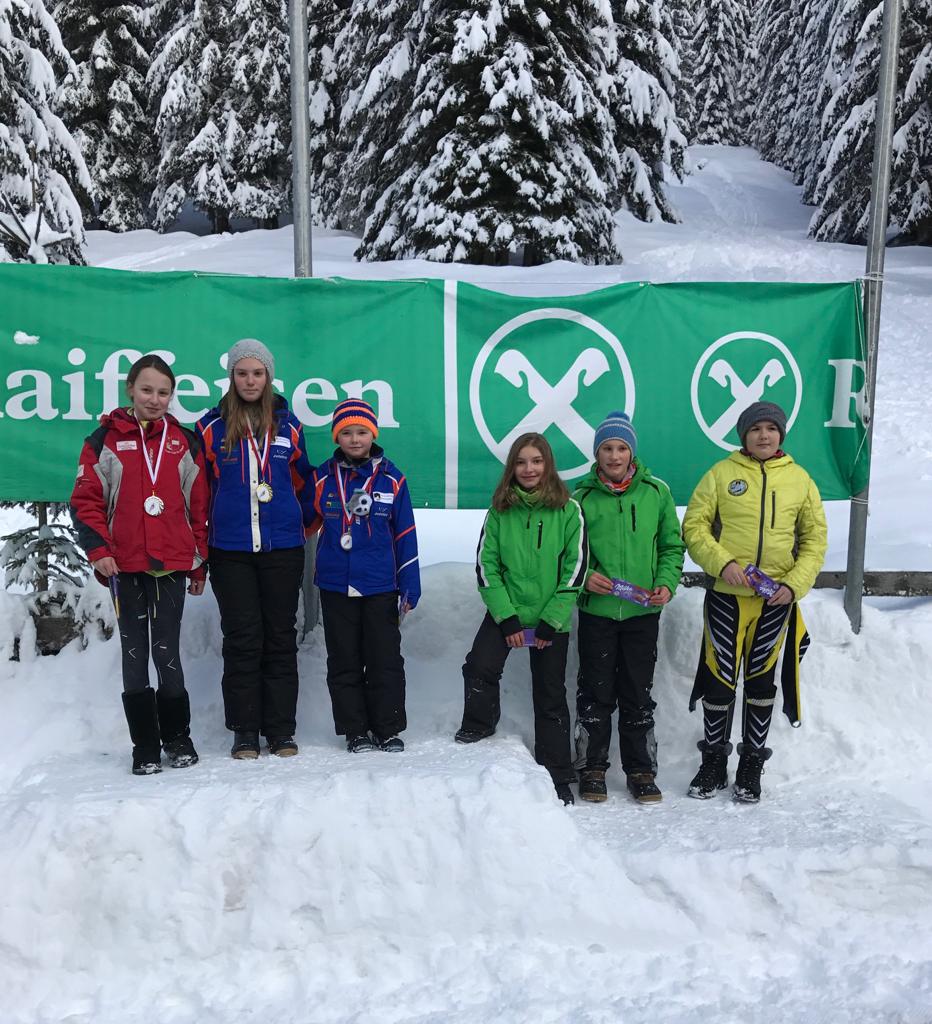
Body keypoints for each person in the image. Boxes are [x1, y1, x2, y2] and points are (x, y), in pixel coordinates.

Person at [682, 401, 827, 803]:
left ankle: (751, 765)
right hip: (726, 597)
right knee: (720, 677)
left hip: (775, 601)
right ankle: (713, 763)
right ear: (744, 435)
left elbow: (815, 541)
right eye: (755, 429)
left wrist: (794, 586)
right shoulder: (721, 474)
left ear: (781, 434)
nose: (764, 435)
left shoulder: (800, 480)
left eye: (771, 428)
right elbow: (694, 527)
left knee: (762, 680)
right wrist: (722, 563)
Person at [71, 354, 209, 775]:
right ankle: (144, 745)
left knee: (167, 652)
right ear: (130, 389)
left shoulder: (184, 442)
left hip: (171, 564)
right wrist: (99, 550)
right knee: (134, 655)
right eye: (147, 389)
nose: (155, 399)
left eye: (163, 392)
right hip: (124, 565)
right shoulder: (104, 440)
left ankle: (178, 738)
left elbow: (199, 506)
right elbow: (86, 500)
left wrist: (198, 563)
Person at [196, 339, 316, 759]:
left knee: (280, 637)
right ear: (231, 377)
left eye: (258, 373)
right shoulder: (210, 427)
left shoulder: (290, 426)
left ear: (269, 377)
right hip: (230, 551)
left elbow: (304, 481)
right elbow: (201, 491)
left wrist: (299, 525)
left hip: (282, 549)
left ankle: (281, 729)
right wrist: (202, 544)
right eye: (242, 373)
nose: (250, 380)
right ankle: (245, 729)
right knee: (243, 638)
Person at [455, 432, 588, 805]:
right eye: (521, 462)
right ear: (512, 467)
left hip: (550, 618)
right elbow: (486, 566)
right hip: (508, 611)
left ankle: (557, 773)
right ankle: (480, 726)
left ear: (548, 465)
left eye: (537, 461)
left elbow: (576, 569)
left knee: (550, 694)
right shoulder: (499, 510)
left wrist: (551, 620)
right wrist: (507, 618)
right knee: (479, 666)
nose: (529, 469)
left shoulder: (569, 510)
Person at [572, 412, 684, 805]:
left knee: (637, 692)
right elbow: (568, 553)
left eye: (621, 448)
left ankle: (640, 769)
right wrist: (585, 577)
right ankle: (591, 767)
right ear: (596, 453)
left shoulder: (656, 492)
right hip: (598, 614)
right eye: (607, 448)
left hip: (642, 615)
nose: (615, 456)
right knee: (595, 690)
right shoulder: (579, 499)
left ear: (632, 452)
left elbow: (671, 546)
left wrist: (666, 582)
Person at [313, 398, 420, 752]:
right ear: (336, 437)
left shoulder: (392, 479)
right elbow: (302, 519)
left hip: (380, 585)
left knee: (384, 659)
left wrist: (410, 582)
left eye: (362, 431)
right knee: (343, 659)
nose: (355, 439)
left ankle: (387, 727)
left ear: (373, 434)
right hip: (335, 585)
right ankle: (355, 729)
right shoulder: (322, 478)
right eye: (347, 432)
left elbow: (405, 533)